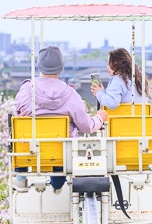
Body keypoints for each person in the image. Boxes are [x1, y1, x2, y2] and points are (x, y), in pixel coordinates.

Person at [14, 46, 109, 191]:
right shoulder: (70, 95)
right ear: (61, 68)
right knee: (61, 152)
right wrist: (99, 118)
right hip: (61, 157)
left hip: (30, 152)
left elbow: (19, 116)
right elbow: (86, 127)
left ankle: (21, 176)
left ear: (39, 66)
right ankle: (57, 185)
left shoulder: (25, 90)